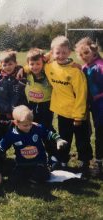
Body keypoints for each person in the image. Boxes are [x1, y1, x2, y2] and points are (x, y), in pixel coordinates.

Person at [45, 35, 93, 175]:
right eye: (57, 52)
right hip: (62, 112)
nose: (60, 56)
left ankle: (84, 162)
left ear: (69, 53)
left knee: (82, 140)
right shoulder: (49, 67)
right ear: (52, 53)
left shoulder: (75, 71)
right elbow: (38, 60)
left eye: (64, 52)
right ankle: (63, 161)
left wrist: (79, 116)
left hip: (78, 114)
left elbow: (81, 95)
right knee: (64, 139)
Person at [0, 105, 68, 185]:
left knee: (42, 176)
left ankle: (49, 166)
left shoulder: (37, 128)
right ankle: (28, 177)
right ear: (16, 122)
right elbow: (2, 146)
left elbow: (49, 133)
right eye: (25, 125)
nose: (29, 127)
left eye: (30, 124)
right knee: (13, 181)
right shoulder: (12, 134)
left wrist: (58, 140)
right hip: (22, 164)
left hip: (38, 163)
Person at [24, 48, 58, 168]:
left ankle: (53, 155)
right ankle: (38, 155)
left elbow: (53, 57)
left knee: (46, 129)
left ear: (43, 63)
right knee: (33, 128)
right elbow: (22, 67)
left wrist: (45, 56)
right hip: (32, 105)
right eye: (32, 64)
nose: (35, 66)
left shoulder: (48, 71)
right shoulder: (27, 73)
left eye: (38, 63)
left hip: (46, 105)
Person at [75, 37, 103, 177]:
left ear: (94, 51)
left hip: (100, 105)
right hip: (88, 104)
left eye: (85, 53)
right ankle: (86, 159)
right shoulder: (85, 67)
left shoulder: (100, 66)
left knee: (100, 133)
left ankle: (98, 162)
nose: (83, 57)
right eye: (80, 54)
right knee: (86, 131)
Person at [0, 50, 27, 120]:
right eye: (5, 65)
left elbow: (29, 67)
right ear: (1, 65)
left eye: (10, 64)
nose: (7, 67)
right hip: (3, 113)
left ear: (16, 63)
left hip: (20, 112)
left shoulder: (21, 74)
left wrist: (21, 68)